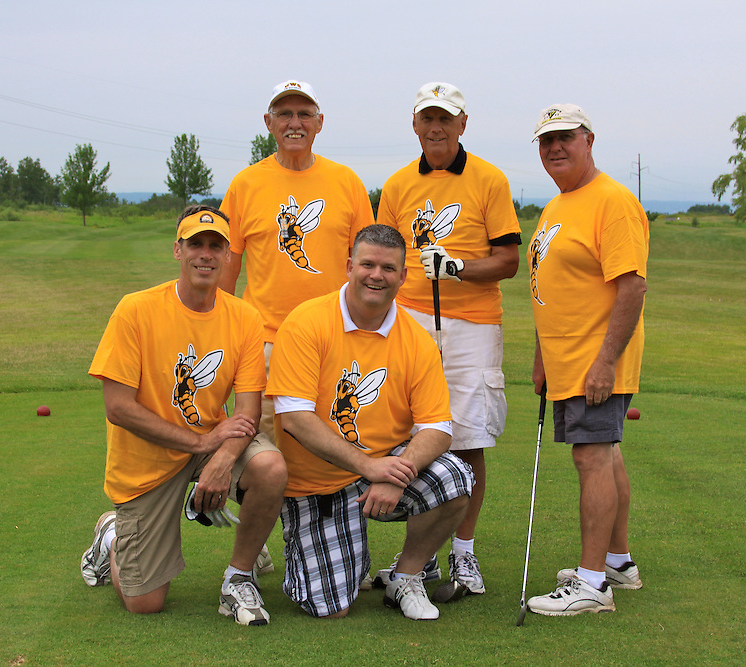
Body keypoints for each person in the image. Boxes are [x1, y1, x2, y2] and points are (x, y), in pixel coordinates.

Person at [80, 206, 288, 626]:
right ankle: (113, 535)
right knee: (146, 603)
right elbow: (118, 408)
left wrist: (221, 460)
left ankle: (239, 575)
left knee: (270, 467)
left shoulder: (244, 317)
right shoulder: (135, 310)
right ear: (178, 250)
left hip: (212, 445)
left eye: (216, 246)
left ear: (230, 256)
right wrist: (201, 444)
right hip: (148, 461)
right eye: (196, 243)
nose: (206, 254)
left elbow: (247, 411)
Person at [267, 224, 473, 621]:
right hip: (317, 483)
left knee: (456, 477)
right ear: (349, 266)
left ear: (403, 276)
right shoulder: (306, 322)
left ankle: (406, 576)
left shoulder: (415, 339)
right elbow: (293, 418)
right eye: (367, 264)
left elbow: (439, 428)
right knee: (330, 609)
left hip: (384, 471)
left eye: (388, 267)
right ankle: (325, 553)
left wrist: (392, 474)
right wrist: (368, 466)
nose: (376, 275)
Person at [376, 82, 520, 599]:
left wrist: (458, 268)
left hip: (473, 324)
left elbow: (508, 259)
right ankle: (423, 556)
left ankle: (464, 553)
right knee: (411, 433)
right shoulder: (396, 185)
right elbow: (384, 260)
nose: (435, 128)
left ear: (463, 124)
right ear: (415, 125)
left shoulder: (489, 179)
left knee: (468, 437)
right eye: (426, 119)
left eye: (445, 119)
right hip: (409, 318)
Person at [525, 104, 649, 617]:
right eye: (545, 140)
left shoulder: (611, 201)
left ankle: (592, 583)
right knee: (608, 453)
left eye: (565, 137)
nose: (554, 147)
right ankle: (618, 563)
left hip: (594, 360)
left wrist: (604, 362)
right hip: (566, 358)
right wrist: (541, 358)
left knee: (591, 457)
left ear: (589, 139)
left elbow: (632, 285)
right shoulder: (558, 206)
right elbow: (550, 286)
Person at [218, 80, 375, 439]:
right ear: (268, 122)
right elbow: (228, 268)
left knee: (330, 443)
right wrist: (224, 337)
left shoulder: (346, 182)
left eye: (304, 114)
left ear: (320, 123)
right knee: (266, 448)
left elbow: (368, 265)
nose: (295, 123)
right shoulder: (245, 184)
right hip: (265, 342)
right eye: (284, 114)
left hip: (335, 336)